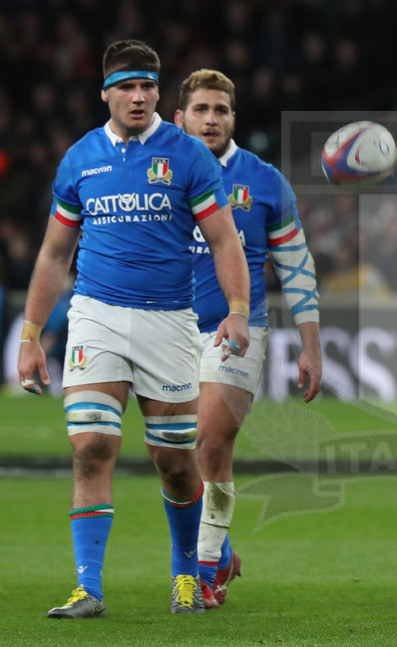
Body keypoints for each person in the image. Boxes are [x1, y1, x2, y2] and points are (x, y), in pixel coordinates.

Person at [17, 40, 251, 618]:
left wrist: (238, 310)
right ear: (106, 94)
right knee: (91, 446)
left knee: (175, 462)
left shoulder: (188, 156)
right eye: (127, 86)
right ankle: (88, 589)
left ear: (158, 92)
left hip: (167, 321)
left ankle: (187, 576)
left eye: (148, 85)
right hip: (95, 315)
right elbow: (54, 254)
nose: (139, 96)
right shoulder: (80, 159)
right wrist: (30, 336)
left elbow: (224, 240)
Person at [174, 69, 322, 609]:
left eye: (221, 110)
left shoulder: (264, 181)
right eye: (201, 109)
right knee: (177, 457)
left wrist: (311, 344)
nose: (211, 119)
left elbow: (297, 267)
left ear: (233, 118)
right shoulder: (157, 176)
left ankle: (204, 572)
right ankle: (221, 550)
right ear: (180, 118)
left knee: (211, 442)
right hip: (166, 328)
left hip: (239, 329)